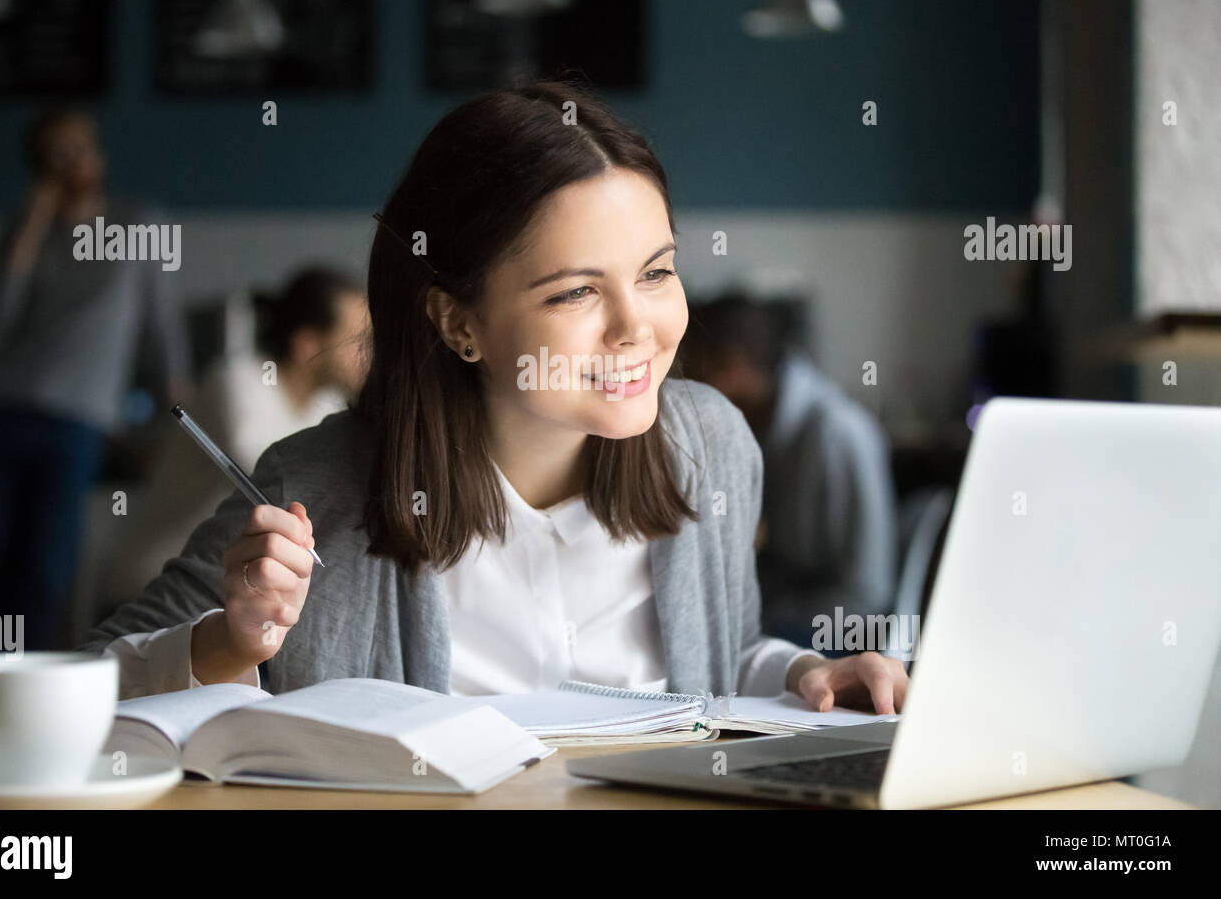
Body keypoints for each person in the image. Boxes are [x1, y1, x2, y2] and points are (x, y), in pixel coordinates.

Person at [78, 78, 907, 713]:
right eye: (576, 293)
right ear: (458, 322)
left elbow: (714, 664)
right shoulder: (318, 487)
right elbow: (88, 687)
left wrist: (802, 671)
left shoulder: (710, 446)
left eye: (656, 273)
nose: (637, 327)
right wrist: (231, 641)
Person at [0, 106, 192, 649]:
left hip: (77, 422)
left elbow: (161, 324)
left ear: (98, 155)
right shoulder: (25, 230)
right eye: (55, 153)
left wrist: (179, 403)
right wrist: (31, 225)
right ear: (38, 165)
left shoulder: (138, 224)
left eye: (79, 148)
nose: (70, 162)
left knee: (46, 572)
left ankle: (33, 697)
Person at [98, 265, 370, 613]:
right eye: (355, 340)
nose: (367, 355)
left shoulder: (324, 406)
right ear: (306, 345)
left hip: (227, 599)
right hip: (159, 588)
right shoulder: (236, 381)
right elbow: (268, 471)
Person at [683, 295, 898, 650]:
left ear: (731, 364)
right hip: (783, 611)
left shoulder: (839, 433)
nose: (687, 381)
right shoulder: (755, 426)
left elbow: (865, 593)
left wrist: (764, 625)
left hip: (839, 632)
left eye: (695, 365)